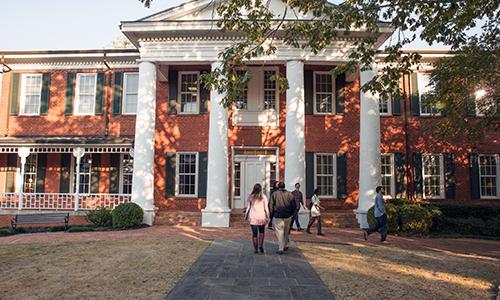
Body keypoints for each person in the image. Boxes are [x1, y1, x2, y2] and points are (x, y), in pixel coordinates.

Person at [268, 181, 296, 254]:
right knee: (286, 232)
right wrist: (291, 213)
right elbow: (294, 205)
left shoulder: (275, 194)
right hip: (288, 216)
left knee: (279, 232)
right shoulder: (290, 194)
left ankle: (281, 248)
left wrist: (271, 215)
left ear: (278, 187)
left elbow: (271, 205)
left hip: (278, 215)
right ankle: (286, 244)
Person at [245, 183, 270, 253]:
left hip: (253, 217)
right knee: (261, 232)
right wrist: (268, 217)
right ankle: (260, 246)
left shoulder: (251, 197)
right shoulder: (264, 197)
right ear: (260, 189)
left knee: (254, 234)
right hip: (262, 217)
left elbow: (248, 208)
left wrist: (246, 216)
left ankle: (255, 248)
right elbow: (266, 208)